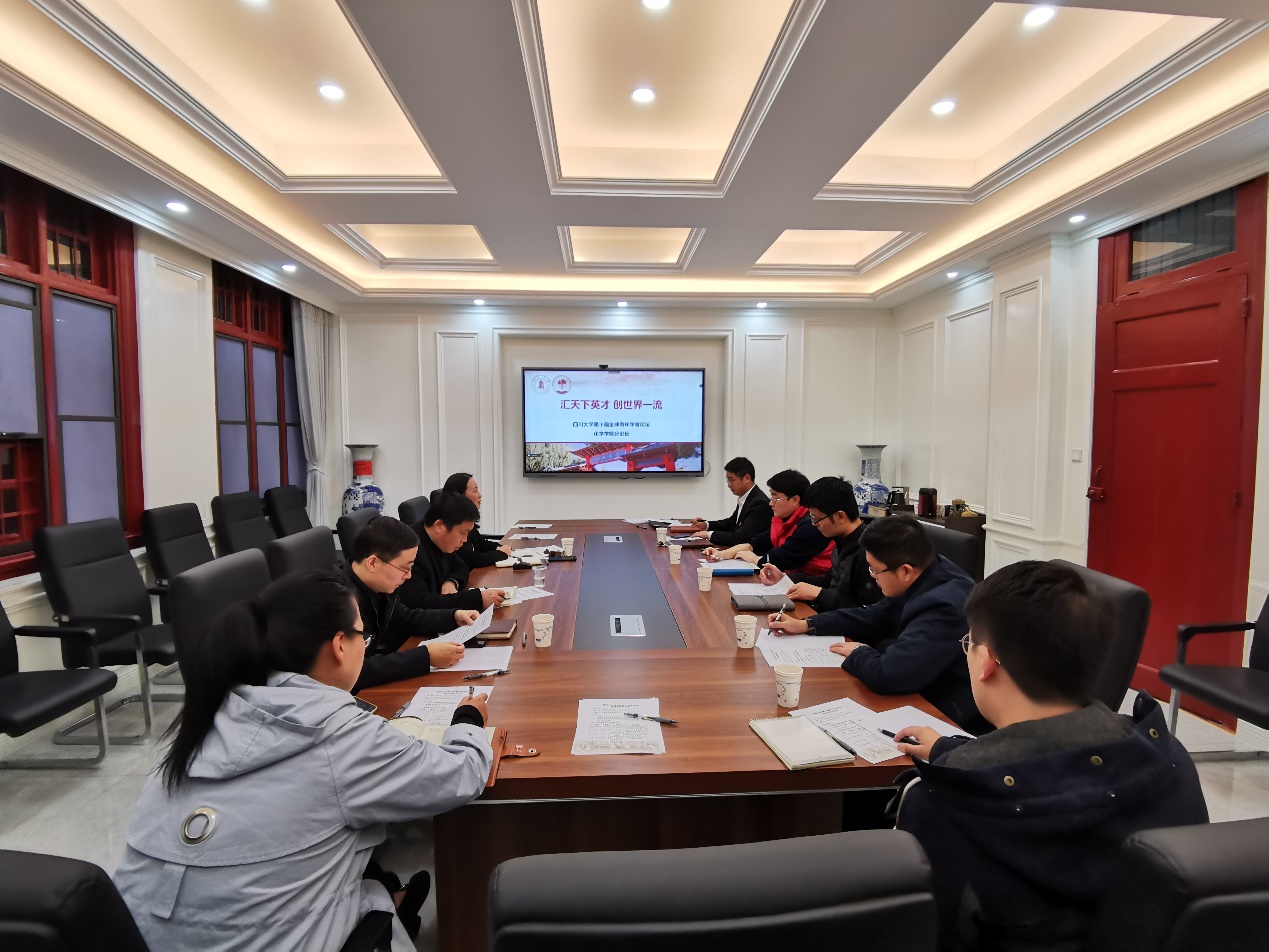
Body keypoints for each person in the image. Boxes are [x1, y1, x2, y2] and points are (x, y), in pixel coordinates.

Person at [115, 570, 494, 952]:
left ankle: (389, 894)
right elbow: (462, 774)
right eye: (363, 636)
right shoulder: (341, 736)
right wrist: (468, 720)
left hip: (145, 935)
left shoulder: (207, 716)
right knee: (367, 888)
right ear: (339, 645)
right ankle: (389, 901)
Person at [890, 561, 1208, 952]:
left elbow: (919, 933)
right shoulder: (1169, 757)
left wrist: (956, 763)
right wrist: (950, 749)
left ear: (986, 661)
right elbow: (1058, 763)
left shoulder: (942, 800)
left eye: (968, 642)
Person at [769, 513, 985, 732]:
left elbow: (888, 675)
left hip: (948, 714)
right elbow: (875, 615)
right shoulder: (927, 571)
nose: (872, 577)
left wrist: (859, 652)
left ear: (905, 571)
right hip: (922, 683)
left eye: (875, 570)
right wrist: (806, 624)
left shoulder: (942, 607)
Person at [340, 515, 477, 693]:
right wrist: (425, 657)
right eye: (405, 568)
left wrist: (453, 617)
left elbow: (404, 616)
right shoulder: (337, 601)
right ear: (373, 563)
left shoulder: (379, 584)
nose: (409, 576)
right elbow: (352, 671)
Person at [757, 475, 881, 612]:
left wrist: (820, 595)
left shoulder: (870, 552)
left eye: (816, 519)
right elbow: (827, 582)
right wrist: (784, 579)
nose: (814, 524)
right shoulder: (840, 541)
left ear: (840, 516)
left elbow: (867, 612)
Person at [704, 469, 834, 576]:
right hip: (790, 580)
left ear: (794, 500)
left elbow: (782, 559)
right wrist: (721, 554)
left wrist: (753, 558)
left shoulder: (812, 525)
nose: (771, 503)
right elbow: (755, 544)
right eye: (771, 497)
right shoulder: (780, 519)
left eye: (775, 498)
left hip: (813, 585)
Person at [399, 493, 506, 613]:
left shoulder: (441, 541)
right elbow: (420, 603)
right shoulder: (409, 549)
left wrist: (451, 582)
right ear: (439, 526)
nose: (465, 540)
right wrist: (477, 599)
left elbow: (461, 566)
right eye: (463, 533)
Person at [685, 456, 772, 547]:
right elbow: (731, 523)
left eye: (732, 480)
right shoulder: (748, 498)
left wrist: (709, 535)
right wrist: (706, 525)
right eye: (728, 480)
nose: (729, 485)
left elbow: (740, 538)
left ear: (747, 478)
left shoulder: (760, 503)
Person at [440, 472, 512, 570]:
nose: (480, 495)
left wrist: (504, 548)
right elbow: (470, 559)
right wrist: (500, 554)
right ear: (460, 495)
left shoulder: (465, 517)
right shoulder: (454, 522)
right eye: (475, 490)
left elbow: (480, 543)